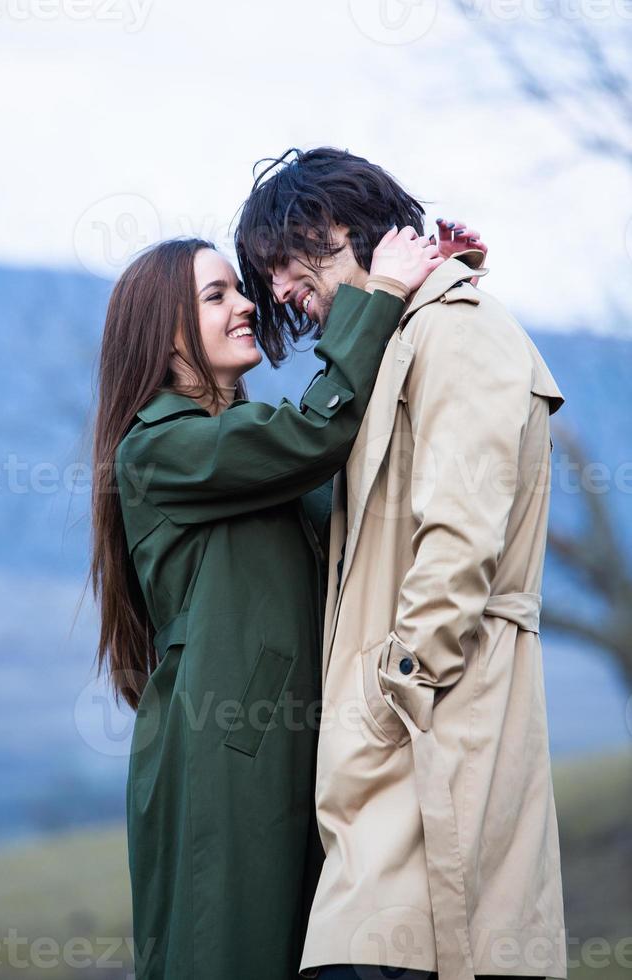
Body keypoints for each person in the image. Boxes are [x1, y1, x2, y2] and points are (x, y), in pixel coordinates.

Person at [235, 146, 567, 980]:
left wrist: (401, 688)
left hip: (436, 741)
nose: (275, 289)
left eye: (283, 259)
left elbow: (461, 537)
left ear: (341, 226)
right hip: (380, 764)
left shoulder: (458, 331)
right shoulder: (401, 341)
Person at [90, 228, 444, 979]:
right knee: (234, 955)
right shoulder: (156, 448)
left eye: (238, 289)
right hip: (226, 750)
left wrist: (434, 291)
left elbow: (352, 476)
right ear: (165, 330)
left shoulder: (247, 450)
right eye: (215, 295)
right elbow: (319, 429)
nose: (245, 305)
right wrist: (378, 295)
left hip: (305, 739)